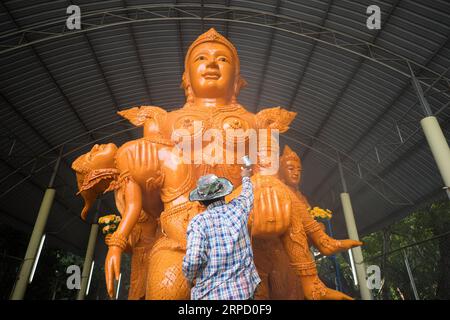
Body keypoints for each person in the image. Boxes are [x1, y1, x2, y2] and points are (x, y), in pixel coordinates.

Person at [182, 166, 261, 300]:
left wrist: (189, 278)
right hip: (244, 292)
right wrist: (246, 176)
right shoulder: (238, 208)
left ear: (201, 201)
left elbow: (193, 260)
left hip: (212, 295)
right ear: (224, 193)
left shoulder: (199, 222)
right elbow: (247, 193)